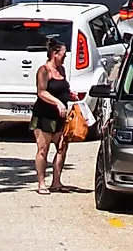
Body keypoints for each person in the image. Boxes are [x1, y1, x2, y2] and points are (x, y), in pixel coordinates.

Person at [30, 36, 76, 193]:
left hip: (60, 117)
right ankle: (41, 183)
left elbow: (61, 88)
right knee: (43, 149)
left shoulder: (61, 70)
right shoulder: (44, 70)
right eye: (64, 53)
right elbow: (41, 92)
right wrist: (57, 102)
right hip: (45, 116)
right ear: (55, 53)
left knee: (62, 147)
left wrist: (70, 95)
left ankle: (56, 182)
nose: (65, 56)